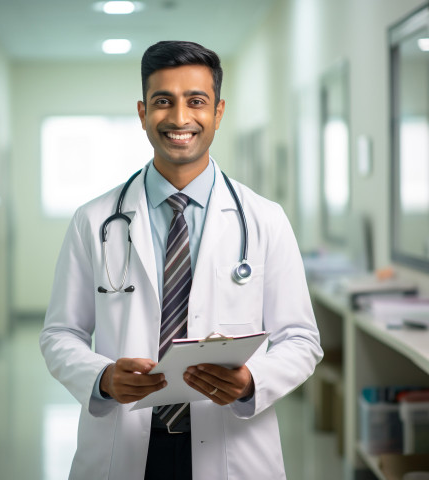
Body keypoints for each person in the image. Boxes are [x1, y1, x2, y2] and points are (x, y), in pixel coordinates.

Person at [40, 40, 323, 480]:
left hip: (232, 444)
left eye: (196, 101)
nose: (179, 118)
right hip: (125, 442)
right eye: (162, 102)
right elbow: (60, 333)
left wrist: (253, 380)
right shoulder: (93, 220)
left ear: (219, 111)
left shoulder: (265, 219)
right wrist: (103, 377)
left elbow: (302, 339)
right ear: (142, 112)